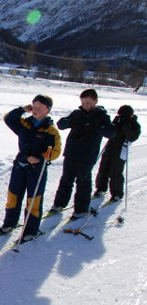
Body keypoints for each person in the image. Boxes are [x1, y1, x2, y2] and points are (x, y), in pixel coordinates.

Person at [0, 95, 61, 242]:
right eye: (33, 106)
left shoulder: (51, 131)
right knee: (13, 196)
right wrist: (22, 109)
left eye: (39, 108)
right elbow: (8, 119)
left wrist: (41, 158)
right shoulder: (25, 124)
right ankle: (9, 223)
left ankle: (30, 230)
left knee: (34, 201)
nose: (35, 110)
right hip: (20, 166)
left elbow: (55, 152)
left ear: (47, 110)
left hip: (37, 170)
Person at [49, 89, 115, 219]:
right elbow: (61, 124)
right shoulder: (77, 113)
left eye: (88, 103)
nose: (86, 106)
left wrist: (96, 127)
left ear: (95, 101)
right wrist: (70, 122)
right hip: (72, 151)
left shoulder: (102, 116)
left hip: (87, 154)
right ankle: (59, 204)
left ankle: (81, 208)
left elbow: (111, 132)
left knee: (83, 181)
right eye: (83, 103)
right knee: (66, 179)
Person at [94, 105, 141, 202]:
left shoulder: (134, 124)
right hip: (110, 147)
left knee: (115, 172)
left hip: (121, 150)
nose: (120, 116)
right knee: (103, 168)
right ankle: (101, 188)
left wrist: (126, 124)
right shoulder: (117, 121)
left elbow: (131, 137)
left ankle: (117, 193)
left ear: (131, 115)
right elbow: (109, 133)